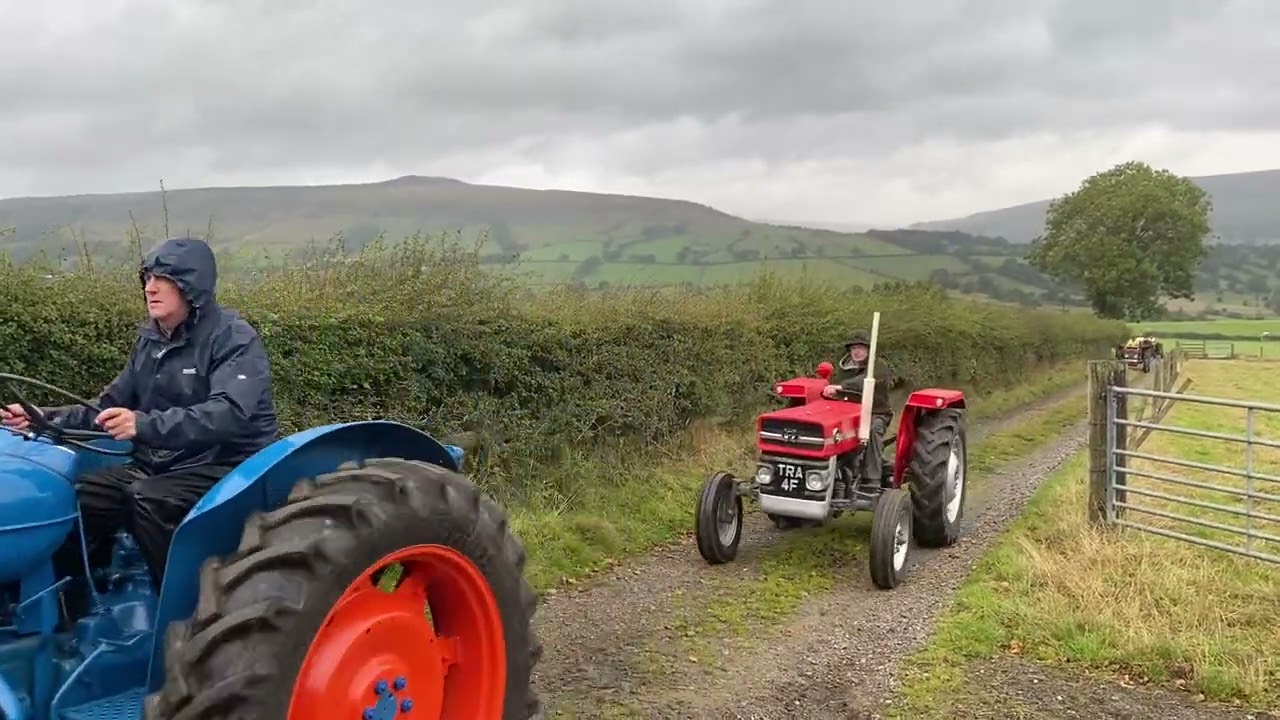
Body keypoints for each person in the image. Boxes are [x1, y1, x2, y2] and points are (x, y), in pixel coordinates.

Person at [0, 236, 278, 589]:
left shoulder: (233, 338)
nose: (151, 288)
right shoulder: (151, 339)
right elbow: (105, 407)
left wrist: (143, 424)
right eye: (147, 279)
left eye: (163, 280)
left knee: (148, 496)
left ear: (192, 287)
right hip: (165, 462)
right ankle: (76, 596)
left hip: (228, 466)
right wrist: (41, 416)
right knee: (81, 494)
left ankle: (179, 605)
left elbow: (227, 414)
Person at [822, 331, 895, 487]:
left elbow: (864, 381)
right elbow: (832, 387)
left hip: (876, 413)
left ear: (869, 350)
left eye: (860, 348)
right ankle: (828, 474)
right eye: (853, 348)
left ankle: (872, 479)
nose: (856, 351)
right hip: (847, 413)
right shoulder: (844, 369)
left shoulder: (879, 366)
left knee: (873, 430)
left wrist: (841, 387)